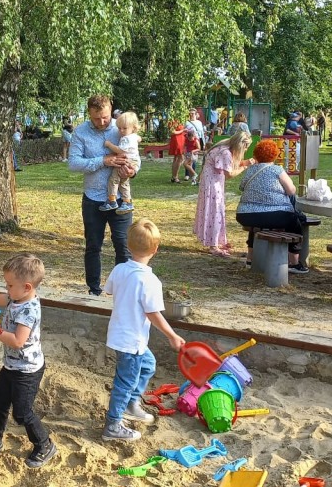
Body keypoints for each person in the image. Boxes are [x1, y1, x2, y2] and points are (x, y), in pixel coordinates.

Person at [0, 254, 57, 467]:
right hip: (11, 366)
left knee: (22, 412)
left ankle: (44, 444)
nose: (6, 289)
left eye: (9, 285)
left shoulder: (28, 310)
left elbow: (18, 341)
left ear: (27, 287)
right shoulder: (15, 297)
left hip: (27, 370)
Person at [101, 219, 186, 441]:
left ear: (128, 246)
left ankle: (131, 403)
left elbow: (108, 291)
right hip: (131, 341)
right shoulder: (149, 281)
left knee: (147, 365)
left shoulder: (120, 269)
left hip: (122, 335)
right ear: (155, 249)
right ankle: (113, 424)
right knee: (125, 381)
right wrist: (173, 336)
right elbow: (153, 313)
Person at [69, 94, 137, 297]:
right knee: (93, 246)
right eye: (96, 118)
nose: (102, 122)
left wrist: (132, 171)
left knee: (123, 246)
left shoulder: (122, 127)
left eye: (105, 117)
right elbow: (73, 164)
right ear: (89, 113)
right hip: (93, 199)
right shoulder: (80, 132)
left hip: (121, 201)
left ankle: (122, 292)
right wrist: (103, 161)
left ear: (111, 109)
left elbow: (135, 158)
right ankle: (94, 290)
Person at [235, 139, 308, 273]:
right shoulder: (277, 170)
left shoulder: (251, 170)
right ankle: (294, 262)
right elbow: (291, 190)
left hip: (245, 214)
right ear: (274, 155)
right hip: (275, 214)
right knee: (295, 224)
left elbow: (241, 187)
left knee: (256, 227)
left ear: (256, 155)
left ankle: (251, 259)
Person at [194, 132, 254, 257]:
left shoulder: (222, 148)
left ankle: (216, 241)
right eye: (246, 146)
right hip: (213, 185)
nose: (246, 149)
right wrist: (246, 166)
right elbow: (230, 174)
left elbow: (231, 165)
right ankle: (213, 246)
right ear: (240, 145)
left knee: (214, 212)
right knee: (215, 212)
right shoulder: (225, 152)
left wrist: (244, 162)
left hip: (210, 183)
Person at [101, 111, 141, 213]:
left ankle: (112, 200)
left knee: (114, 179)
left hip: (125, 161)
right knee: (124, 182)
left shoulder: (126, 139)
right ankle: (127, 201)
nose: (121, 131)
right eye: (119, 128)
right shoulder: (133, 136)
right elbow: (139, 138)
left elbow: (120, 150)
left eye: (124, 128)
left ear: (133, 127)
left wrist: (109, 144)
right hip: (131, 160)